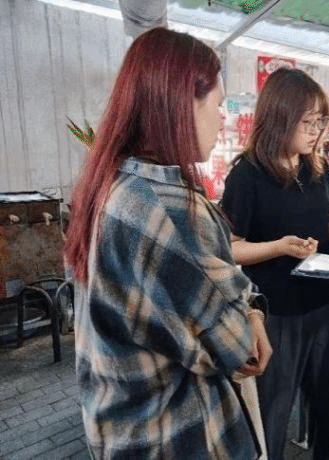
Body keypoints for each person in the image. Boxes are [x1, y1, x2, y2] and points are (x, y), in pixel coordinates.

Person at [64, 27, 272, 459]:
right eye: (217, 104)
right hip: (178, 436)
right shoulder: (169, 210)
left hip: (123, 422)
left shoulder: (112, 182)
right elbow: (236, 347)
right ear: (179, 104)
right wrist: (252, 316)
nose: (223, 118)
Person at [220, 67, 329, 460]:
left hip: (324, 302)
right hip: (277, 310)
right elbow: (230, 249)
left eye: (321, 122)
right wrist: (279, 247)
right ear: (279, 118)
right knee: (274, 405)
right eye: (307, 123)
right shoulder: (247, 176)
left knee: (326, 397)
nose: (316, 132)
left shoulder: (316, 167)